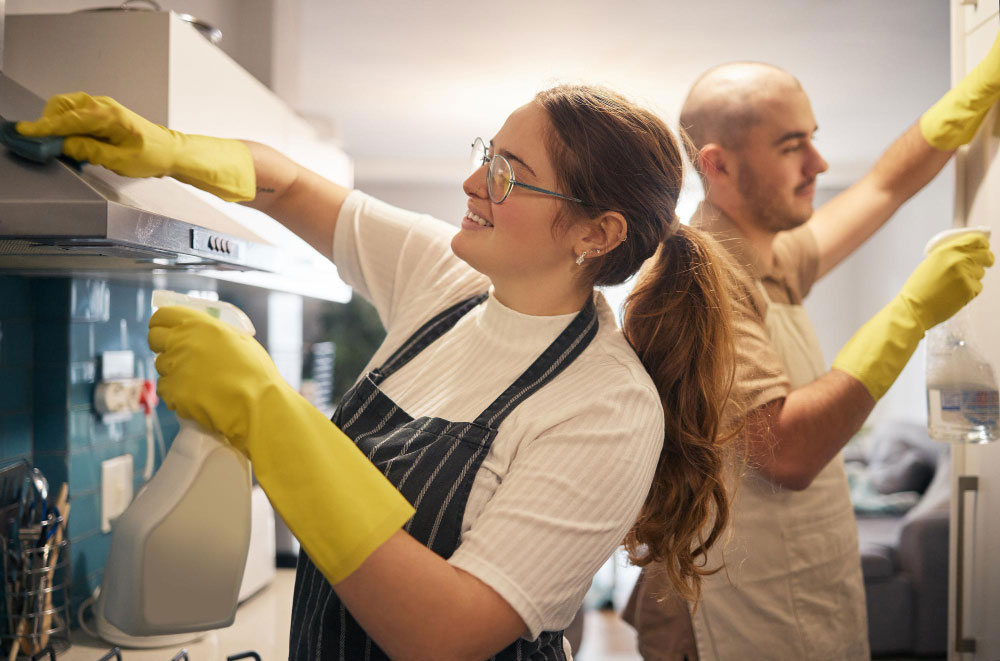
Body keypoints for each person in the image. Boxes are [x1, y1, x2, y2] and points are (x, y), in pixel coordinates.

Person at [19, 85, 739, 659]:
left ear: (595, 233)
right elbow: (290, 188)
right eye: (486, 153)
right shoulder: (446, 281)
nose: (470, 181)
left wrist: (268, 414)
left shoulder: (607, 408)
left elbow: (445, 634)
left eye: (504, 175)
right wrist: (168, 148)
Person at [623, 37, 999, 661]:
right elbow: (789, 451)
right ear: (716, 164)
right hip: (734, 612)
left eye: (812, 137)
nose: (819, 163)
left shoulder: (766, 254)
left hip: (795, 588)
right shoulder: (693, 281)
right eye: (791, 146)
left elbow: (881, 186)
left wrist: (965, 102)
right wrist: (908, 315)